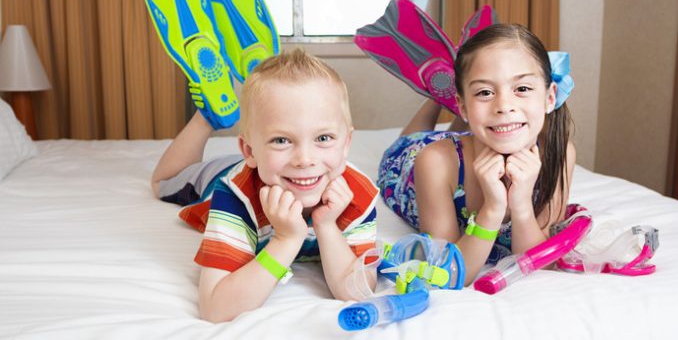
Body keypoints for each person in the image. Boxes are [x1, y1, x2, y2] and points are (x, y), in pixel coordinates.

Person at [152, 49, 378, 322]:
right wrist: (286, 239)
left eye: (324, 138)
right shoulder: (235, 196)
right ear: (248, 149)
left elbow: (356, 292)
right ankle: (206, 117)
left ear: (346, 145)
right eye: (281, 140)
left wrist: (327, 226)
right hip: (222, 175)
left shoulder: (358, 195)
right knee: (163, 183)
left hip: (270, 168)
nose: (304, 159)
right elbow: (216, 309)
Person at [377, 23, 575, 284]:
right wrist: (492, 209)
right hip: (411, 162)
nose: (504, 105)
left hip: (475, 136)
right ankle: (435, 99)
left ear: (550, 97)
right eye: (484, 92)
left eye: (522, 89)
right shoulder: (433, 161)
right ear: (461, 105)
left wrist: (522, 205)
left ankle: (468, 111)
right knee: (413, 140)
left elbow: (539, 264)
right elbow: (448, 273)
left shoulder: (559, 154)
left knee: (486, 125)